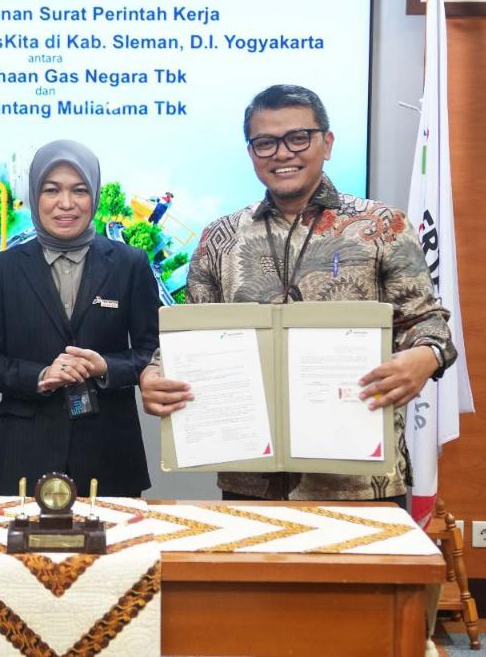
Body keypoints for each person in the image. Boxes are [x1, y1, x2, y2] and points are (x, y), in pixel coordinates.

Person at [139, 85, 455, 505]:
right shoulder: (220, 237)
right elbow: (189, 335)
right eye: (265, 143)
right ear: (251, 152)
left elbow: (428, 324)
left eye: (298, 138)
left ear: (328, 143)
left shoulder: (383, 227)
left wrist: (426, 357)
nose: (282, 153)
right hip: (250, 477)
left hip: (360, 479)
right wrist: (155, 375)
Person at [0, 140, 159, 497]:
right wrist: (39, 376)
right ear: (35, 195)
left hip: (110, 450)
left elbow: (153, 351)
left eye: (79, 190)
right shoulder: (5, 268)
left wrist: (106, 367)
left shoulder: (130, 263)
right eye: (52, 190)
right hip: (26, 450)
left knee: (115, 535)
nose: (66, 203)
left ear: (94, 195)